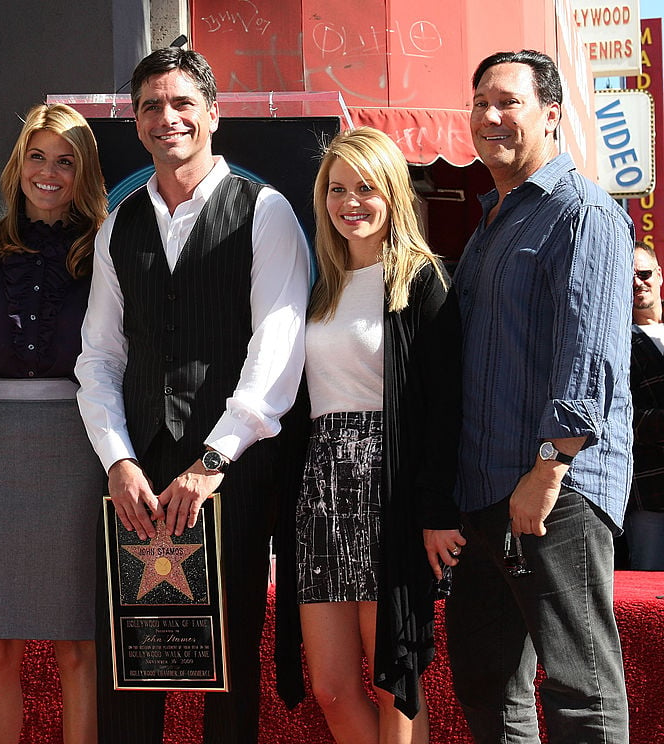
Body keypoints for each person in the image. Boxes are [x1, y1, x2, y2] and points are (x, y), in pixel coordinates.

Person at [75, 47, 310, 743]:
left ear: (213, 113)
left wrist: (214, 460)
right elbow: (99, 356)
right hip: (137, 476)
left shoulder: (263, 211)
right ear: (137, 122)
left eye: (182, 103)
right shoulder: (121, 223)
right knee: (131, 665)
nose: (166, 117)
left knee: (229, 671)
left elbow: (279, 342)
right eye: (151, 105)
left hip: (229, 474)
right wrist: (117, 460)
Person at [448, 49, 633, 743]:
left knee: (580, 688)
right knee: (485, 678)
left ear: (552, 115)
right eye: (479, 102)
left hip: (555, 488)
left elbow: (591, 358)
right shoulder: (494, 219)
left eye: (508, 102)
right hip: (487, 490)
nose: (489, 117)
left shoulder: (581, 212)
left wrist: (549, 469)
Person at [0, 103, 107, 744]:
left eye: (66, 161)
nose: (49, 172)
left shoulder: (106, 250)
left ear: (83, 172)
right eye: (37, 156)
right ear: (18, 164)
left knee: (76, 647)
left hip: (79, 447)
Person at [291, 127, 462, 744]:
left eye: (366, 187)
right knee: (332, 688)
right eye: (337, 189)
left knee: (396, 679)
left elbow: (447, 407)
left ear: (393, 192)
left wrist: (436, 507)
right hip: (321, 488)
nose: (350, 202)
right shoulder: (321, 288)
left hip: (388, 488)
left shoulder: (423, 281)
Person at [628, 240, 664, 570]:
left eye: (644, 273)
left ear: (659, 275)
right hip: (649, 492)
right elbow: (621, 417)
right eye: (629, 277)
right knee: (647, 593)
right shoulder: (616, 341)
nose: (638, 282)